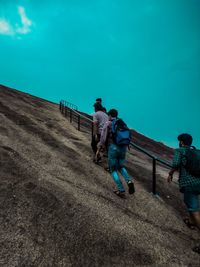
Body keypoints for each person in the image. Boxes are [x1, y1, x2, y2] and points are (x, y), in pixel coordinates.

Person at [167, 133, 200, 254]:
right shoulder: (196, 151)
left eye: (179, 141)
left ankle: (194, 221)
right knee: (191, 204)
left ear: (181, 142)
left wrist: (170, 173)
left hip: (189, 183)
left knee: (194, 209)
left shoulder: (180, 151)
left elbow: (176, 164)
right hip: (198, 182)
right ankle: (191, 222)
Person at [98, 109, 135, 197]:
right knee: (121, 167)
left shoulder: (109, 123)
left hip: (113, 148)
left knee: (113, 169)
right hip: (123, 148)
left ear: (110, 115)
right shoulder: (122, 123)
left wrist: (101, 144)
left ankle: (121, 190)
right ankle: (129, 181)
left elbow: (103, 136)